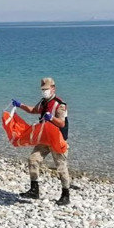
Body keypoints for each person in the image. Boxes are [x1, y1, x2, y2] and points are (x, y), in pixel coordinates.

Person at [12, 77, 71, 205]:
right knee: (33, 159)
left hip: (57, 139)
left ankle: (65, 195)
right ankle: (34, 190)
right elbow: (33, 110)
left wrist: (51, 118)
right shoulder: (43, 102)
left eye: (46, 89)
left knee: (61, 167)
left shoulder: (60, 104)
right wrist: (20, 105)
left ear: (53, 88)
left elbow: (61, 123)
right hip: (45, 138)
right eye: (43, 89)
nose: (44, 91)